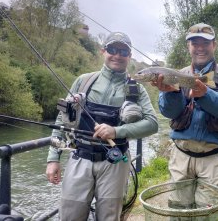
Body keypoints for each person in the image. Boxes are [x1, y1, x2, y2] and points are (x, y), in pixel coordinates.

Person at [45, 32, 158, 221]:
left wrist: (116, 131)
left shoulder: (137, 89)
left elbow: (153, 124)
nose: (117, 55)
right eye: (112, 49)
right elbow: (61, 119)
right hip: (79, 157)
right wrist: (52, 159)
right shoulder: (83, 81)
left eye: (123, 51)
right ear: (103, 51)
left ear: (129, 56)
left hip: (116, 162)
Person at [151, 22, 218, 210]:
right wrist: (171, 93)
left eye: (205, 43)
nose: (200, 48)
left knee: (208, 214)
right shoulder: (177, 75)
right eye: (195, 43)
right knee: (178, 211)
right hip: (181, 157)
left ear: (214, 45)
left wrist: (205, 95)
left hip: (215, 159)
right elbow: (169, 112)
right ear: (189, 47)